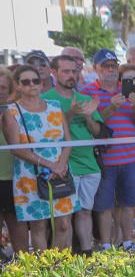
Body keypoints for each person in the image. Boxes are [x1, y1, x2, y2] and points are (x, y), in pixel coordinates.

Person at [2, 65, 79, 250]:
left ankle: (59, 267)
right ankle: (43, 272)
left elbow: (67, 140)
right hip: (30, 175)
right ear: (18, 86)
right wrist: (49, 165)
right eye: (26, 82)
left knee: (64, 224)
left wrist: (60, 165)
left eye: (35, 80)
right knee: (39, 226)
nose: (32, 85)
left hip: (61, 171)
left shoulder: (54, 106)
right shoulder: (11, 112)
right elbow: (16, 149)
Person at [83, 50, 135, 250]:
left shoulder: (128, 90)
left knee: (129, 203)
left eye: (113, 65)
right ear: (96, 69)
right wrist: (111, 107)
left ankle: (127, 242)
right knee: (104, 205)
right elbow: (91, 125)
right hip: (104, 159)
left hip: (129, 157)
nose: (110, 69)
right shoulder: (88, 91)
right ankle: (105, 245)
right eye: (105, 65)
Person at [43, 56, 104, 255]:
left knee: (85, 212)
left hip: (90, 164)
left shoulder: (86, 98)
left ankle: (87, 255)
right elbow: (52, 132)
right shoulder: (46, 100)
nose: (72, 76)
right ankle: (63, 262)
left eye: (74, 72)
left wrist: (86, 114)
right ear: (54, 72)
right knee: (63, 218)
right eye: (66, 71)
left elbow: (97, 132)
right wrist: (70, 113)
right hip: (62, 165)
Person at [0, 68, 28, 255]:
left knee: (17, 223)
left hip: (14, 175)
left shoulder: (17, 110)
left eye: (3, 87)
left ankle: (24, 268)